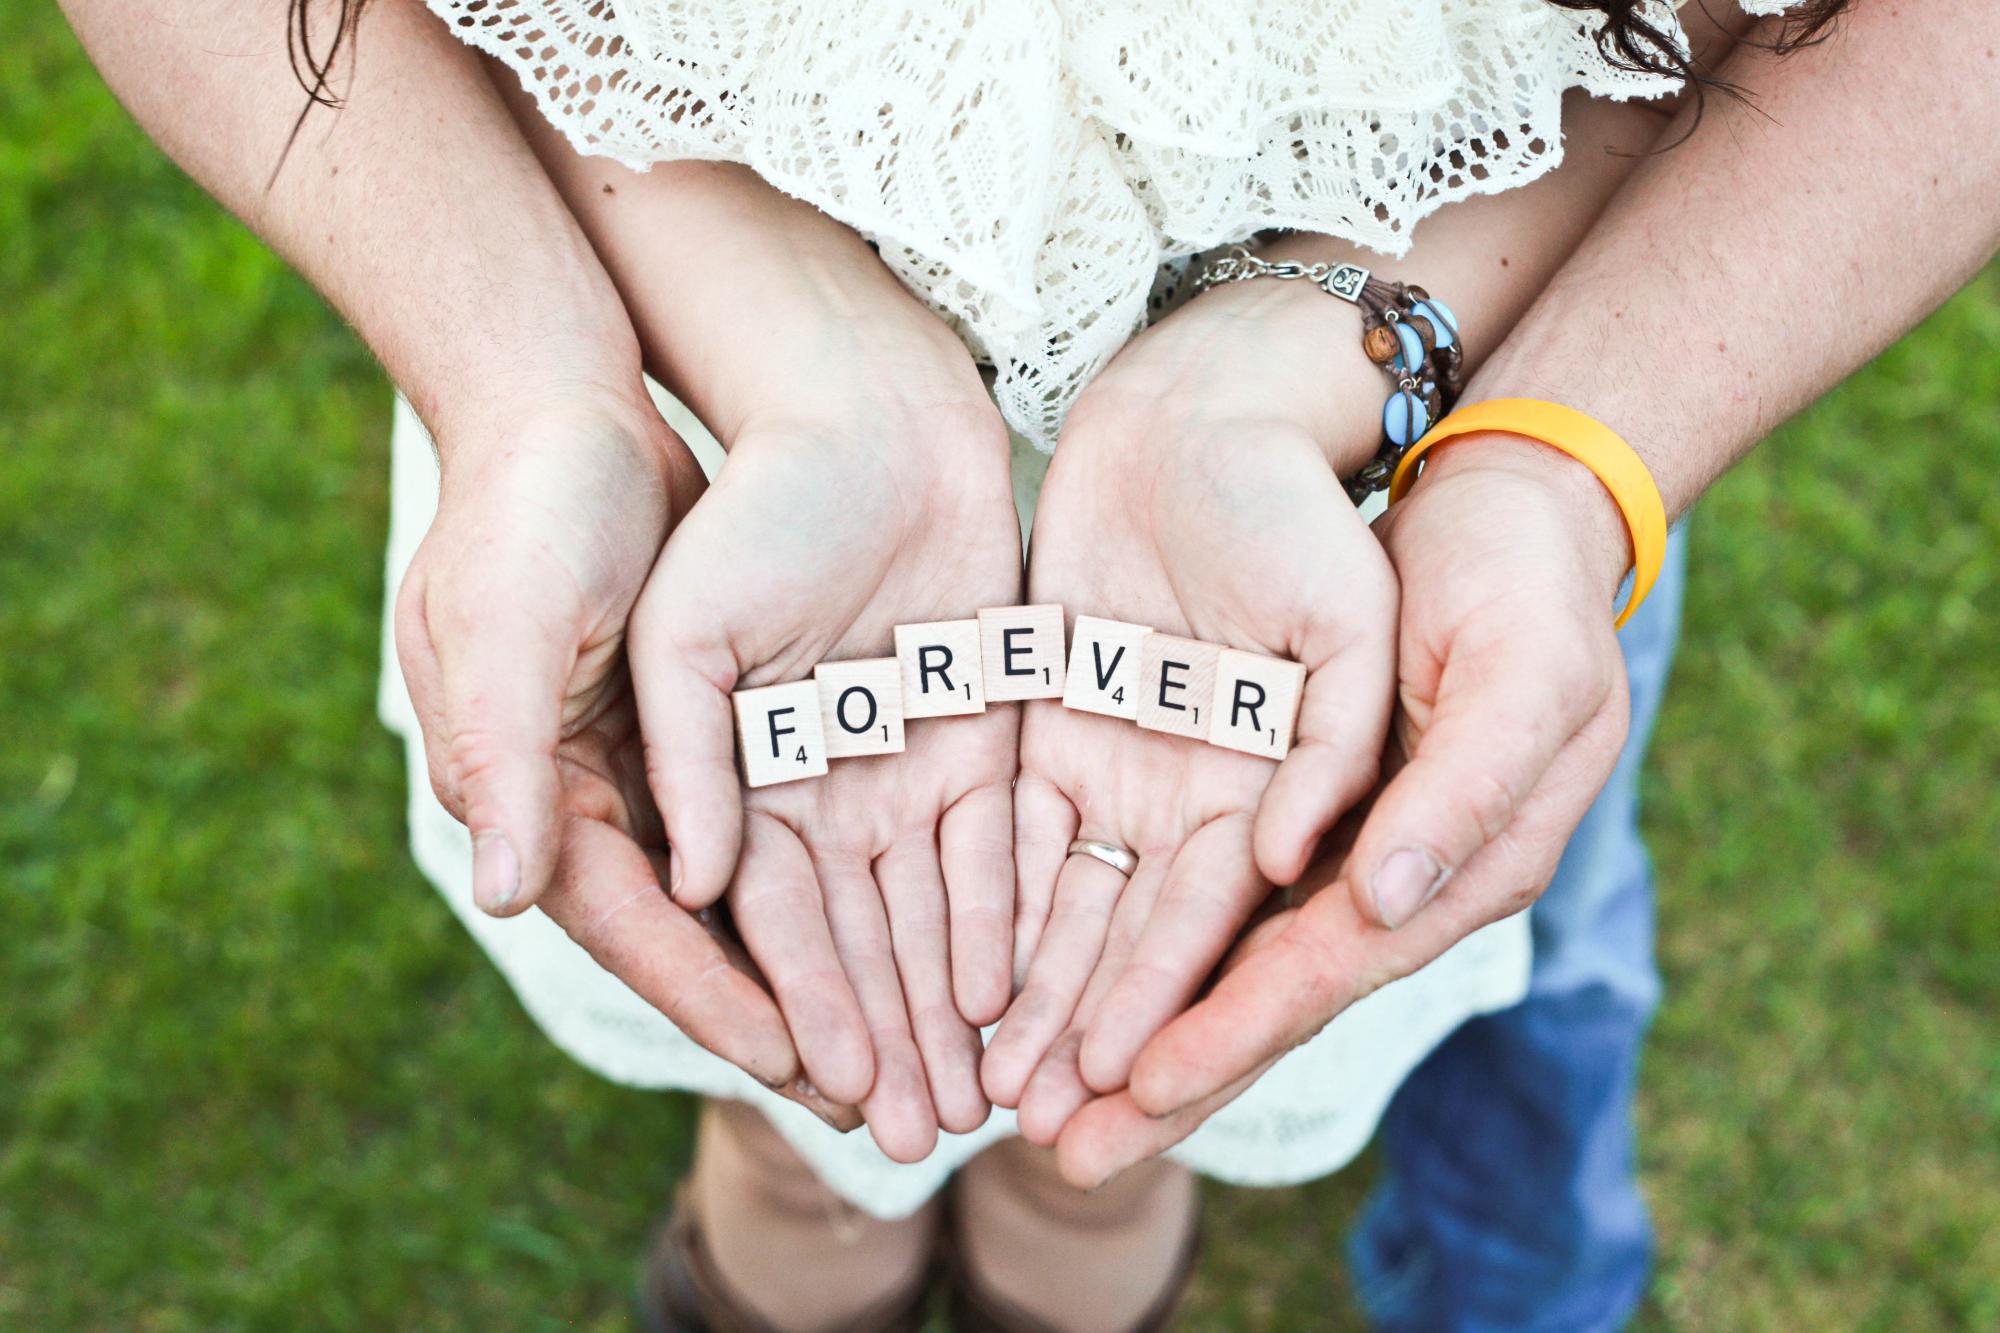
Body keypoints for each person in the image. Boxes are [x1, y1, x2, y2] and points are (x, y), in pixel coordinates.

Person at [59, 0, 1998, 1329]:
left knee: (1117, 1130)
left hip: (1385, 463)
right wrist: (531, 380)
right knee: (805, 1124)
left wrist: (1554, 461)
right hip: (692, 381)